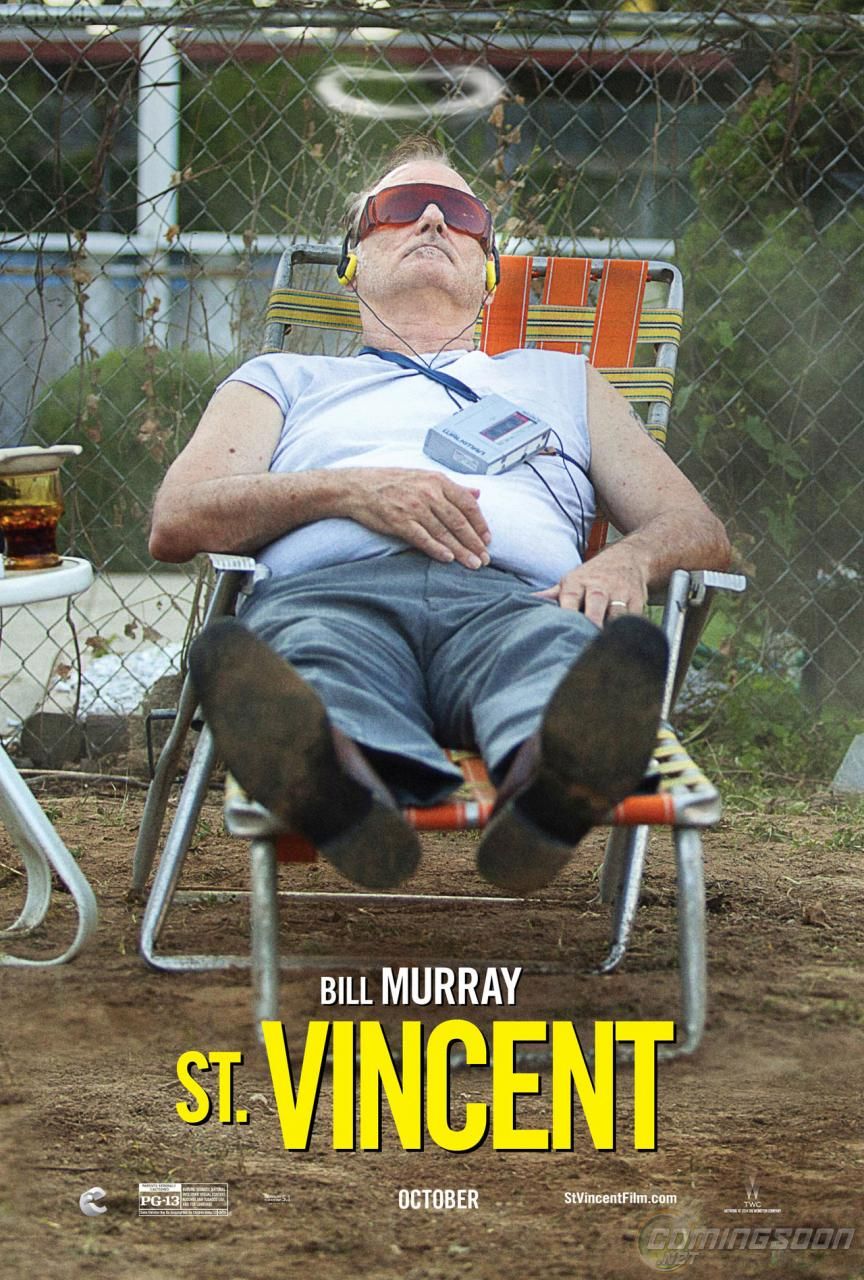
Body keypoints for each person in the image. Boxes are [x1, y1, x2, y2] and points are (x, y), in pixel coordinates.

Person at [149, 137, 731, 895]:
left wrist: (628, 559)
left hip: (516, 603)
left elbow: (699, 531)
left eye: (461, 213)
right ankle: (340, 789)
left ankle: (553, 787)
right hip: (328, 597)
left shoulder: (564, 382)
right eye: (399, 208)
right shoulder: (283, 379)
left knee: (558, 666)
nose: (432, 219)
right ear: (353, 259)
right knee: (314, 664)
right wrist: (349, 492)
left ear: (489, 271)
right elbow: (177, 518)